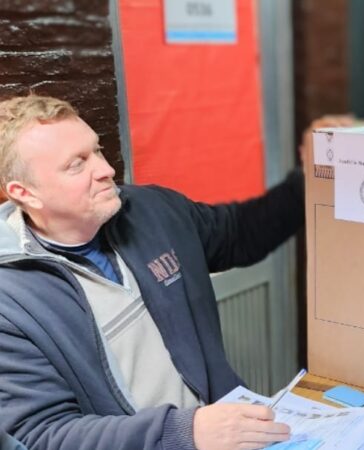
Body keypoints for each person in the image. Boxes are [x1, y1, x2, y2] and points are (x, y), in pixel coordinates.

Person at [0, 95, 302, 449]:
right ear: (26, 193)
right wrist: (182, 433)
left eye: (96, 150)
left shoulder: (150, 210)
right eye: (76, 164)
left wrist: (311, 177)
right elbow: (44, 435)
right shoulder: (11, 302)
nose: (105, 169)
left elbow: (240, 234)